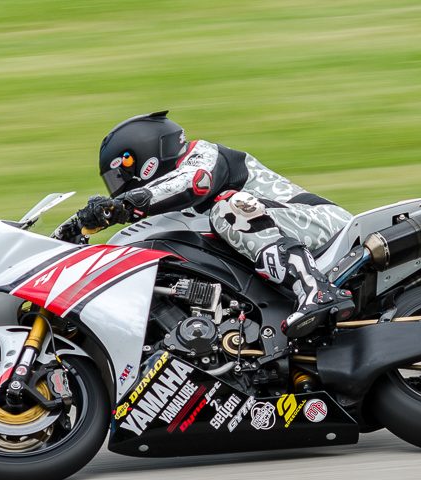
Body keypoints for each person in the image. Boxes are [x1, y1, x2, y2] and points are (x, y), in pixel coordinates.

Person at [53, 111, 355, 338]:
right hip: (288, 238)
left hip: (324, 225)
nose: (117, 188)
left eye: (118, 177)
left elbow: (191, 183)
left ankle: (316, 290)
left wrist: (125, 205)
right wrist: (71, 233)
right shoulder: (166, 211)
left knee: (228, 209)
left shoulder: (202, 154)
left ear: (143, 156)